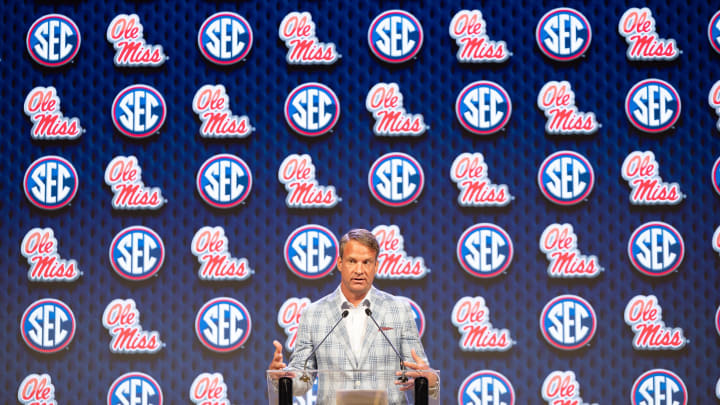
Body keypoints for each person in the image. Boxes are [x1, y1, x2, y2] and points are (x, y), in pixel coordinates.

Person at [269, 228, 438, 404]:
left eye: (366, 262)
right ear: (340, 263)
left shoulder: (399, 310)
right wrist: (283, 378)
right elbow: (302, 378)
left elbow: (420, 370)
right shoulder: (313, 315)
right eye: (352, 261)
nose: (359, 270)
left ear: (376, 266)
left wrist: (429, 379)